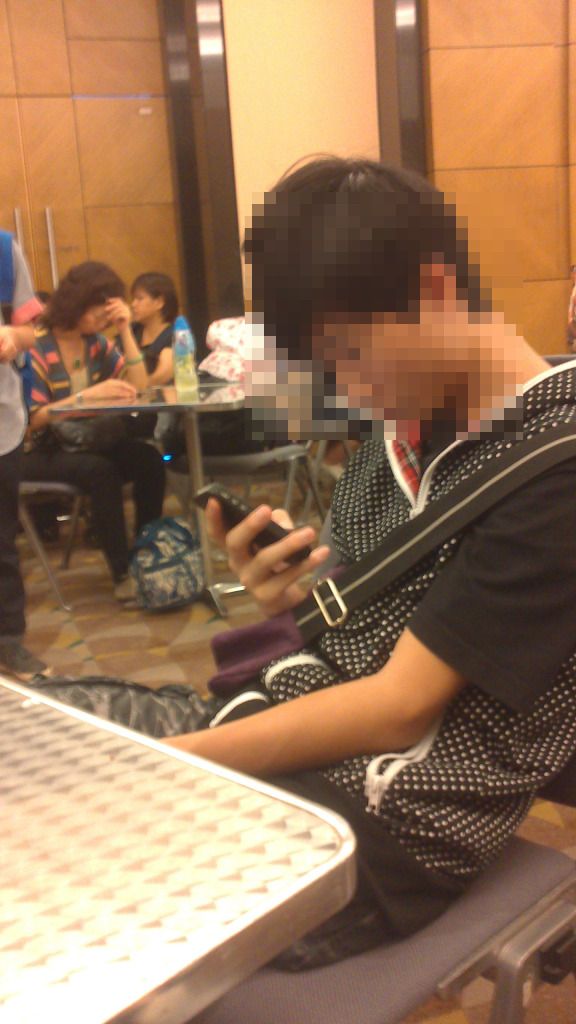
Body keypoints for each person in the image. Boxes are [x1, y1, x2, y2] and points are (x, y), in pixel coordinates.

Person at [158, 156, 576, 964]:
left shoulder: (556, 463)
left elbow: (398, 706)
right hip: (307, 762)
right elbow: (361, 635)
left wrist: (164, 765)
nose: (344, 387)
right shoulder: (397, 440)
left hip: (387, 833)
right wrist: (291, 602)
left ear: (434, 290)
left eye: (348, 353)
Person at [23, 261, 166, 603]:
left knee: (148, 459)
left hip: (84, 441)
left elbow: (140, 387)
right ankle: (122, 573)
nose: (105, 318)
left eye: (109, 311)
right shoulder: (36, 345)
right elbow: (32, 420)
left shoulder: (96, 344)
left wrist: (126, 331)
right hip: (38, 449)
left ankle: (144, 553)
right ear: (77, 303)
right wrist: (85, 398)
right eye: (100, 310)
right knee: (101, 471)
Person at [0, 231, 49, 681]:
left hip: (2, 424)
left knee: (1, 542)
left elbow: (28, 332)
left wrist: (11, 338)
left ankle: (8, 641)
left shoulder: (3, 250)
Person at [129, 271, 178, 385]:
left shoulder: (175, 335)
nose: (133, 304)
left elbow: (163, 374)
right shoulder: (131, 331)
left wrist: (139, 386)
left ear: (159, 302)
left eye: (140, 299)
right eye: (133, 299)